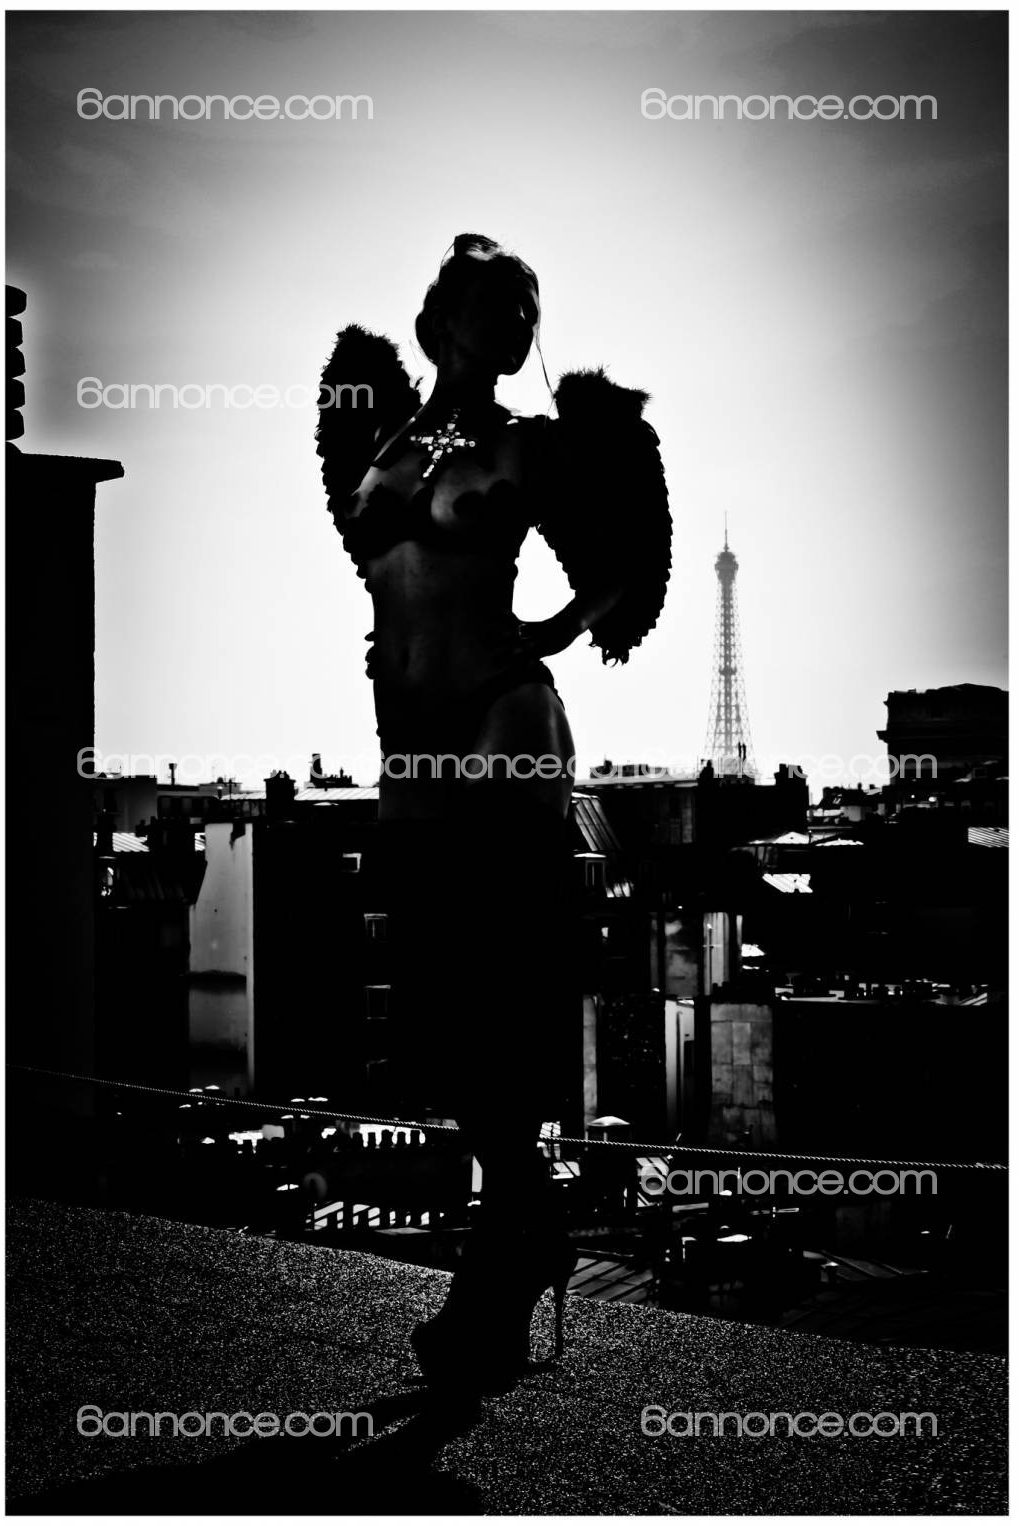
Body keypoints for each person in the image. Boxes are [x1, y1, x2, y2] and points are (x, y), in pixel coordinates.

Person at [317, 233, 671, 1392]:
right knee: (432, 1013)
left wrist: (556, 630)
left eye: (528, 308)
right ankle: (528, 1231)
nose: (516, 321)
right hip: (410, 748)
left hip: (502, 724)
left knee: (488, 1002)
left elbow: (624, 564)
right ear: (441, 320)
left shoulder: (530, 444)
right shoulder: (388, 442)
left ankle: (498, 1267)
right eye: (496, 301)